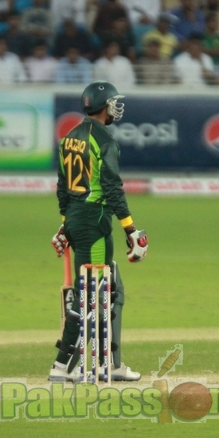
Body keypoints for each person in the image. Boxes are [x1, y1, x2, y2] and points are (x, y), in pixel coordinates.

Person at [49, 81, 147, 383]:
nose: (116, 107)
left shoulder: (69, 137)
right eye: (113, 102)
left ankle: (111, 364)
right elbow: (113, 188)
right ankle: (64, 364)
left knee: (112, 288)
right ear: (105, 106)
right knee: (89, 296)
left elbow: (63, 188)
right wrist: (131, 230)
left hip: (79, 217)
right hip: (95, 220)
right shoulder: (104, 139)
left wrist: (66, 224)